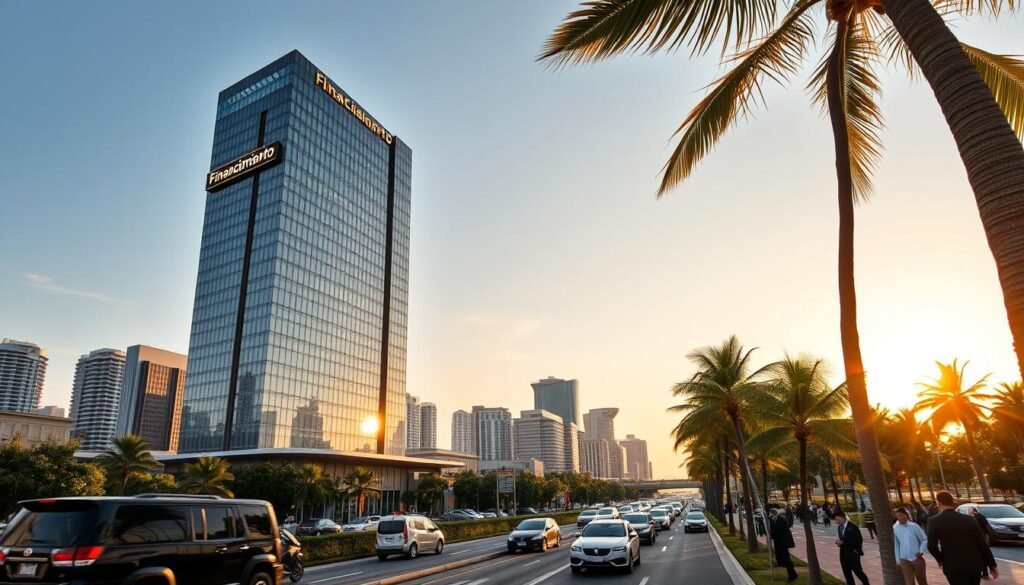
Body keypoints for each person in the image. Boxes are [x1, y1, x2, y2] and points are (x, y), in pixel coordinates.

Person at [926, 491, 998, 585]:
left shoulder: (934, 521)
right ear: (952, 502)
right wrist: (992, 565)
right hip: (973, 565)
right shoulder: (969, 519)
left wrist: (941, 560)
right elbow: (982, 543)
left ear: (938, 503)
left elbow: (931, 546)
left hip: (953, 566)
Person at [893, 507, 929, 585]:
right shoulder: (895, 527)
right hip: (904, 560)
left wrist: (921, 551)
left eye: (902, 515)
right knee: (909, 583)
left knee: (922, 582)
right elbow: (896, 544)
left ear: (906, 515)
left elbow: (924, 539)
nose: (900, 517)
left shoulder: (914, 526)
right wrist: (898, 561)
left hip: (917, 558)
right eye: (898, 516)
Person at [835, 510, 870, 585]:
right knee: (847, 573)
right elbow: (842, 540)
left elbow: (858, 540)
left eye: (838, 520)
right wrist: (840, 543)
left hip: (853, 553)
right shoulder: (839, 527)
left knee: (858, 572)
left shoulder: (853, 527)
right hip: (843, 553)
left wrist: (857, 550)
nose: (836, 522)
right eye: (836, 520)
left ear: (843, 518)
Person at [770, 509, 799, 582]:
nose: (772, 514)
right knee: (783, 559)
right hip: (778, 542)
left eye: (773, 513)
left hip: (783, 543)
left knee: (786, 559)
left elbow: (784, 532)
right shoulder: (773, 520)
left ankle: (792, 575)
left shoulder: (781, 520)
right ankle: (790, 571)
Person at [967, 507, 992, 579]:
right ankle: (985, 573)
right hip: (983, 537)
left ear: (973, 511)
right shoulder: (980, 516)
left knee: (981, 556)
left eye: (969, 510)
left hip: (980, 538)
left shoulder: (976, 517)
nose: (968, 512)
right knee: (983, 556)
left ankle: (984, 573)